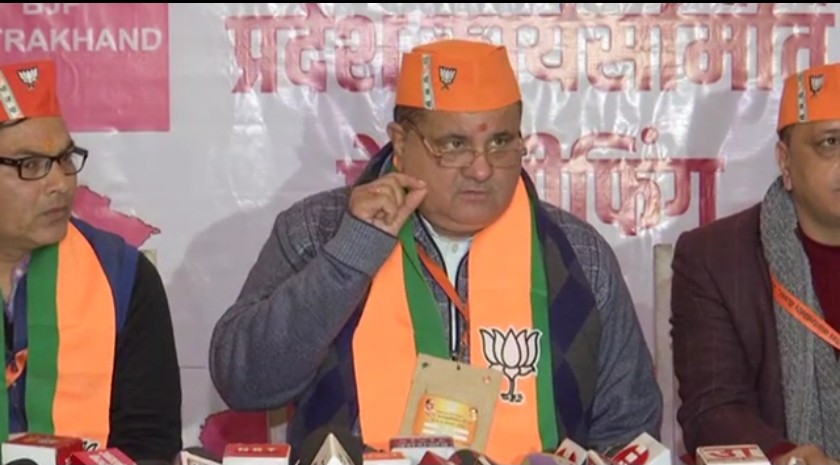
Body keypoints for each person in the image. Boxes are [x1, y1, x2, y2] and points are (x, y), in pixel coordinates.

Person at [209, 38, 661, 464]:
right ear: (401, 143)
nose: (481, 169)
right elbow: (246, 382)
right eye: (454, 145)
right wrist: (349, 256)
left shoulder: (575, 253)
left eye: (501, 142)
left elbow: (628, 429)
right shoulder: (322, 229)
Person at [0, 60, 182, 461]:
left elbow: (151, 444)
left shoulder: (122, 277)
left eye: (65, 158)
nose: (60, 183)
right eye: (31, 165)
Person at [670, 62, 840, 465]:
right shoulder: (715, 259)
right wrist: (789, 458)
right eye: (831, 142)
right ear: (785, 161)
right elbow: (712, 408)